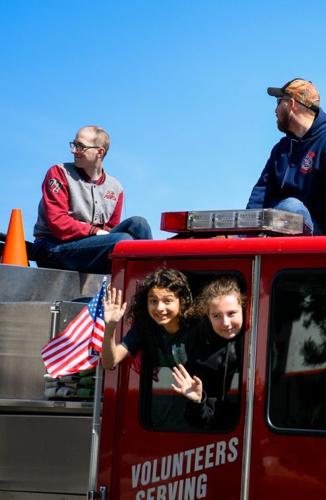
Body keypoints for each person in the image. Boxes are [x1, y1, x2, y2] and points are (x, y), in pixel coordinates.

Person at [32, 125, 152, 274]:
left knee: (139, 224)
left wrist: (98, 234)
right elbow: (58, 222)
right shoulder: (58, 173)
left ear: (100, 152)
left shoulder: (115, 187)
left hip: (89, 247)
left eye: (81, 146)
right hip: (52, 247)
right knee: (122, 240)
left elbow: (109, 230)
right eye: (74, 144)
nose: (74, 150)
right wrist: (94, 231)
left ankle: (151, 281)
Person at [246, 78, 326, 236]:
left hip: (322, 241)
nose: (275, 110)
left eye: (279, 102)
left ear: (291, 103)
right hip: (277, 231)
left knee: (290, 209)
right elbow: (260, 195)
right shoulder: (281, 149)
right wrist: (244, 236)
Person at [170, 277, 245, 429]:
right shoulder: (201, 355)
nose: (225, 323)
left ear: (243, 309)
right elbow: (202, 421)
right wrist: (198, 401)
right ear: (208, 316)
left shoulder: (259, 334)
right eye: (216, 316)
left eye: (231, 313)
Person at [101, 268, 196, 370]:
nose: (159, 308)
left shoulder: (197, 328)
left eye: (167, 301)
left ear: (182, 301)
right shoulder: (145, 327)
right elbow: (110, 362)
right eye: (154, 301)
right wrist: (110, 327)